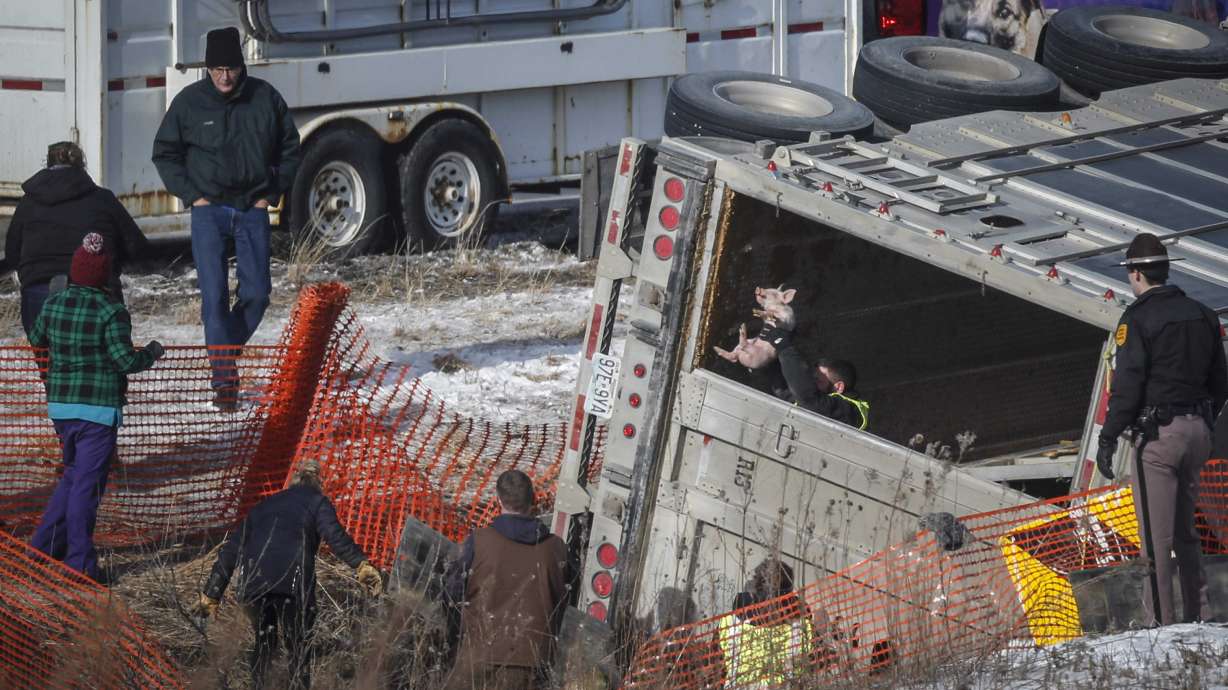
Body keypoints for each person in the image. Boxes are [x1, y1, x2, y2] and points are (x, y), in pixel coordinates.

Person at [152, 26, 300, 410]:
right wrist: (193, 196)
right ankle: (224, 383)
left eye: (230, 68)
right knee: (214, 298)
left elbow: (290, 148)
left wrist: (270, 194)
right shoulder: (189, 103)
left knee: (257, 294)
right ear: (207, 68)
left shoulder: (265, 98)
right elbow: (165, 153)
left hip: (252, 208)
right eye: (217, 69)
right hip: (209, 211)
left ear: (241, 65)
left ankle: (223, 351)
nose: (224, 76)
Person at [1096, 232, 1228, 627]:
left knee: (1156, 538)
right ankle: (1199, 614)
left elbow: (1128, 385)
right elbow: (1221, 383)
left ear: (1136, 274)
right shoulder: (1204, 314)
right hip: (1198, 432)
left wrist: (1108, 435)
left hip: (1158, 438)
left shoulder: (1137, 319)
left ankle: (1160, 625)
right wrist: (1202, 419)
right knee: (1186, 531)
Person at [27, 233, 164, 581]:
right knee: (86, 489)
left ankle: (42, 547)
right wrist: (151, 353)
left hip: (61, 409)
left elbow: (36, 338)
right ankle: (80, 566)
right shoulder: (111, 311)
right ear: (104, 275)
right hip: (98, 413)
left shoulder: (54, 304)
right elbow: (124, 361)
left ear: (75, 271)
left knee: (73, 477)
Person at [192, 459, 383, 690]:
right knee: (298, 647)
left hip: (254, 583)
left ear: (292, 483)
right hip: (293, 584)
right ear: (318, 484)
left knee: (264, 643)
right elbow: (335, 535)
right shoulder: (317, 501)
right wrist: (360, 564)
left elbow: (230, 551)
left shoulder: (262, 507)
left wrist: (212, 593)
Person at [3, 141, 150, 336]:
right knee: (99, 353)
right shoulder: (103, 199)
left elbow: (12, 253)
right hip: (97, 294)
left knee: (47, 354)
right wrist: (111, 263)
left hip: (39, 292)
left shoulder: (28, 204)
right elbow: (137, 247)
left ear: (47, 164)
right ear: (82, 165)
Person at [443, 470, 568, 690]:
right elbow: (564, 602)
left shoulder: (479, 541)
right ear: (533, 500)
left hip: (479, 655)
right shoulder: (556, 548)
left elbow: (452, 593)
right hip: (532, 662)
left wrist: (453, 639)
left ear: (498, 500)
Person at [716, 558, 819, 688]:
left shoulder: (729, 624)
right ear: (788, 594)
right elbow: (814, 667)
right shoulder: (802, 628)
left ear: (755, 590)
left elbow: (714, 672)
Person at [776, 341, 870, 431]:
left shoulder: (848, 411)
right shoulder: (823, 398)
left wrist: (784, 346)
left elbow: (807, 397)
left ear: (838, 387)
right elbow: (786, 392)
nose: (811, 383)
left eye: (818, 380)